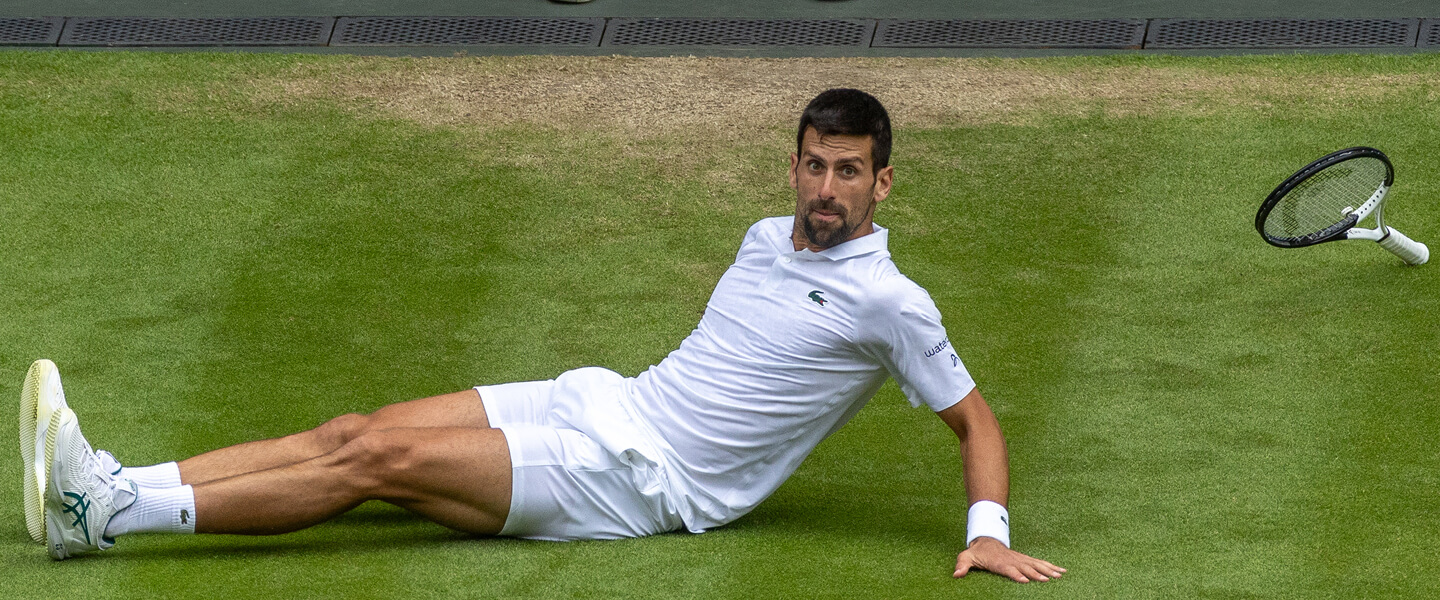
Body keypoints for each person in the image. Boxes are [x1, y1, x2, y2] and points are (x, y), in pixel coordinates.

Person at [22, 88, 1064, 583]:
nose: (826, 190)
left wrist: (988, 532)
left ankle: (108, 513)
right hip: (600, 396)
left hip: (642, 480)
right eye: (814, 166)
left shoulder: (893, 302)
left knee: (379, 463)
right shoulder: (764, 235)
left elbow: (973, 420)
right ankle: (113, 483)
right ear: (792, 166)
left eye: (849, 172)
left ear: (883, 181)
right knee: (359, 425)